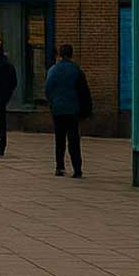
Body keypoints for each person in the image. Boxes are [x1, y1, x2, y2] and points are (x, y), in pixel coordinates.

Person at [44, 44, 93, 178]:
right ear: (71, 54)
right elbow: (83, 91)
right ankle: (77, 169)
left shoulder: (53, 70)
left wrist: (52, 103)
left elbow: (48, 89)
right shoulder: (76, 70)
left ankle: (60, 167)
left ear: (59, 54)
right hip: (72, 110)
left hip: (58, 110)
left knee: (59, 139)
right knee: (74, 140)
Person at [0, 42, 19, 156]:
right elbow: (14, 82)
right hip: (3, 96)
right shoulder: (9, 65)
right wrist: (8, 94)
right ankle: (1, 145)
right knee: (2, 123)